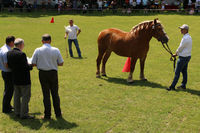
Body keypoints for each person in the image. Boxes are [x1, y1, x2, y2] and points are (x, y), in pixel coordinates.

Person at [31, 34, 64, 119]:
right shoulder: (56, 50)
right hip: (53, 73)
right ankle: (58, 113)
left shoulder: (38, 50)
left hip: (42, 73)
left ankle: (47, 114)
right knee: (55, 94)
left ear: (42, 41)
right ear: (50, 41)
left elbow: (33, 63)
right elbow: (61, 63)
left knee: (46, 94)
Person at [7, 38, 34, 119]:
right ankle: (24, 114)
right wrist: (30, 65)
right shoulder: (22, 54)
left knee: (16, 96)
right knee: (26, 97)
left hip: (15, 78)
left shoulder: (9, 53)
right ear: (21, 45)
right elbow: (26, 67)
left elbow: (10, 65)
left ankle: (17, 112)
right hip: (24, 79)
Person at [167, 24, 192, 91]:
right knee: (184, 71)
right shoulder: (189, 37)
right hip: (187, 56)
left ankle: (172, 86)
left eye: (182, 29)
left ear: (186, 30)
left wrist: (176, 54)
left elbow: (180, 48)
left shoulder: (185, 38)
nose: (181, 30)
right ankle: (183, 85)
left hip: (183, 57)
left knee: (177, 72)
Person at [0, 36, 15, 113]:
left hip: (4, 71)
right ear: (11, 42)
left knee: (8, 90)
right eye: (14, 42)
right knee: (9, 91)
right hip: (8, 72)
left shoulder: (2, 48)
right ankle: (6, 109)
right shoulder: (7, 51)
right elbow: (6, 64)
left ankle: (8, 105)